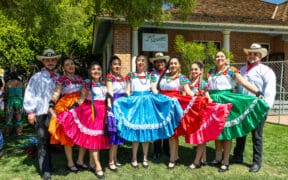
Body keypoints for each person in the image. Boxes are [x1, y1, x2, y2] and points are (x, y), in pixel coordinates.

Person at [113, 55, 182, 169]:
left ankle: (145, 158)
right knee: (135, 131)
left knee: (146, 131)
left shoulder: (151, 75)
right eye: (138, 60)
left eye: (142, 61)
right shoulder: (131, 75)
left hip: (147, 104)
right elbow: (127, 90)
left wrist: (164, 99)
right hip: (135, 103)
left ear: (145, 63)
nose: (140, 62)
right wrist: (123, 101)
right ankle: (134, 158)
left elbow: (154, 89)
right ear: (136, 63)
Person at [207, 51, 270, 172]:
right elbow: (207, 87)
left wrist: (257, 92)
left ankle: (225, 162)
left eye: (221, 56)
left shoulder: (231, 70)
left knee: (226, 131)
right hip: (213, 102)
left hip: (225, 101)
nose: (219, 58)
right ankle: (217, 158)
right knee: (217, 130)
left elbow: (244, 82)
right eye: (217, 56)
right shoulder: (210, 72)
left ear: (226, 59)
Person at [57, 61, 110, 179]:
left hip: (102, 114)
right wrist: (70, 110)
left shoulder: (103, 83)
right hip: (91, 114)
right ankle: (98, 166)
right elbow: (81, 99)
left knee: (95, 139)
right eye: (93, 69)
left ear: (101, 71)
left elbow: (107, 99)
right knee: (94, 140)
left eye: (98, 69)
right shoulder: (87, 83)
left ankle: (89, 162)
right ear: (90, 72)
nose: (96, 71)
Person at [231, 43, 276, 172]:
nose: (252, 56)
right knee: (241, 133)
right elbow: (238, 87)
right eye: (250, 53)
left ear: (260, 55)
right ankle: (237, 156)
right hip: (243, 107)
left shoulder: (266, 71)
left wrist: (265, 108)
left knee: (256, 136)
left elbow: (270, 91)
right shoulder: (242, 70)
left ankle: (256, 162)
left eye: (255, 54)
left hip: (258, 108)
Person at [184, 61, 232, 170]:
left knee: (200, 137)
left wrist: (219, 107)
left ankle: (196, 162)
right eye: (192, 69)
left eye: (196, 69)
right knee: (196, 136)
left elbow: (208, 98)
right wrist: (196, 96)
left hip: (201, 113)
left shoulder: (204, 84)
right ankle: (203, 159)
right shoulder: (186, 81)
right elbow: (187, 92)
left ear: (201, 70)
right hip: (191, 114)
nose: (193, 71)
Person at [23, 49, 61, 180]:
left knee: (52, 141)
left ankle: (49, 165)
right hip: (41, 113)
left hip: (56, 115)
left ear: (56, 61)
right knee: (42, 140)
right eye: (47, 60)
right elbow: (30, 94)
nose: (50, 62)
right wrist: (30, 112)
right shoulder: (36, 77)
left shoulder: (59, 77)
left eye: (53, 60)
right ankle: (45, 170)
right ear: (43, 61)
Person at [48, 57, 87, 173]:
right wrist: (51, 104)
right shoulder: (61, 79)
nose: (71, 66)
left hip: (80, 107)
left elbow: (84, 93)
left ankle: (80, 160)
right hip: (66, 107)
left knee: (83, 133)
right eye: (67, 64)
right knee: (68, 135)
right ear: (63, 68)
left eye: (72, 64)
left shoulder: (81, 79)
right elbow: (56, 93)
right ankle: (70, 162)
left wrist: (78, 103)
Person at [105, 55, 126, 172]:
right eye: (114, 64)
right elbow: (110, 92)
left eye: (118, 64)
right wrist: (110, 107)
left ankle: (115, 158)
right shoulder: (109, 77)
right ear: (111, 66)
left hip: (122, 107)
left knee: (118, 134)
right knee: (113, 134)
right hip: (114, 106)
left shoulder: (122, 78)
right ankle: (110, 161)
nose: (117, 66)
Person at [149, 52, 170, 161]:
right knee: (157, 125)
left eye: (161, 61)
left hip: (167, 103)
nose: (159, 63)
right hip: (156, 102)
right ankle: (157, 150)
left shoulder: (170, 73)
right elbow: (153, 87)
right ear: (155, 63)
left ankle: (167, 149)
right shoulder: (152, 75)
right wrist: (159, 97)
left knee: (166, 124)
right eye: (157, 62)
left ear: (165, 62)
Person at [4, 71, 25, 136]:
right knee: (19, 117)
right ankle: (19, 132)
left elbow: (6, 93)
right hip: (19, 101)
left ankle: (7, 132)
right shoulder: (21, 83)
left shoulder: (8, 83)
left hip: (10, 100)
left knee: (9, 117)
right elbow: (24, 93)